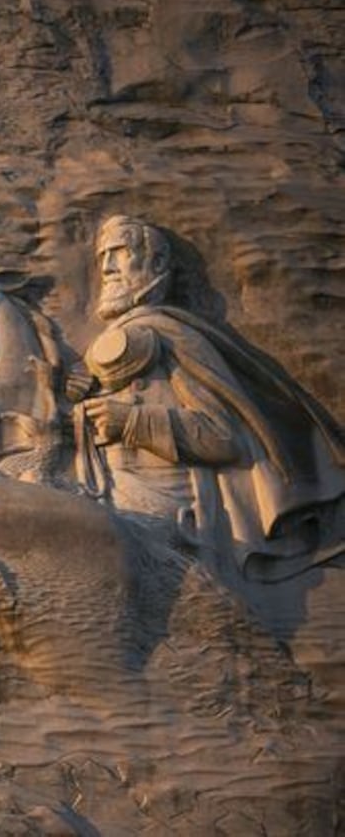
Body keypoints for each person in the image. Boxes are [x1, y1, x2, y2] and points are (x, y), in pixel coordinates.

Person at [77, 215, 344, 579]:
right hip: (106, 490)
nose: (106, 267)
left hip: (166, 511)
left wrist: (133, 421)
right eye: (102, 256)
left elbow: (223, 438)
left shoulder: (173, 337)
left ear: (156, 264)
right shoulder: (125, 341)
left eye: (119, 252)